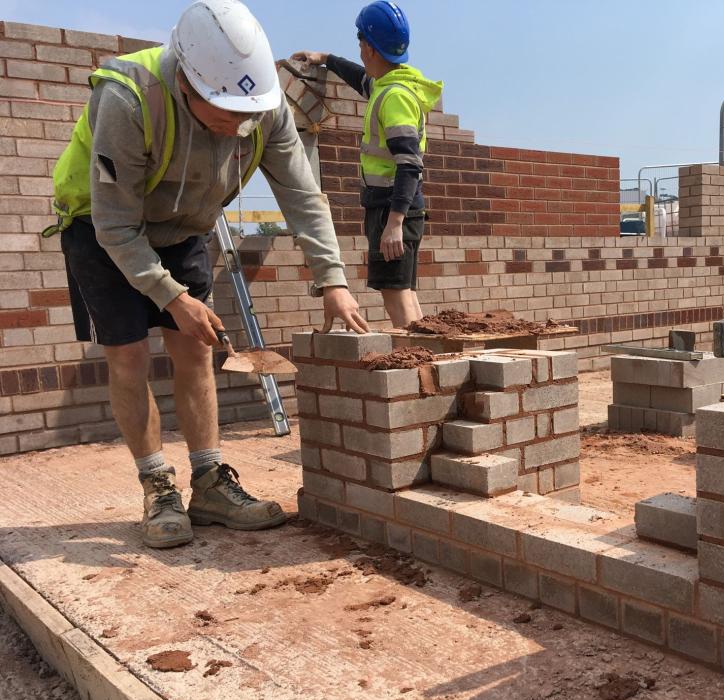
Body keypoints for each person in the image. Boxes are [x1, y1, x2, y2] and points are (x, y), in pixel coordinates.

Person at [46, 0, 369, 550]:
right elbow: (116, 226)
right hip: (102, 230)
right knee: (128, 355)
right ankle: (157, 486)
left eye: (246, 113)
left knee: (195, 352)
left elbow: (302, 196)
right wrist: (172, 297)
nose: (238, 127)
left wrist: (332, 279)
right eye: (223, 112)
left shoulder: (263, 106)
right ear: (186, 82)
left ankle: (210, 482)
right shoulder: (127, 97)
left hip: (186, 227)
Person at [292, 0, 442, 328]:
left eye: (361, 44)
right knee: (403, 291)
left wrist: (394, 223)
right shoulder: (389, 85)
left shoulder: (395, 97)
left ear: (370, 48)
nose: (359, 51)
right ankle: (428, 364)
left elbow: (409, 164)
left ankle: (417, 370)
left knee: (396, 294)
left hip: (393, 208)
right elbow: (361, 78)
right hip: (395, 207)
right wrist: (327, 60)